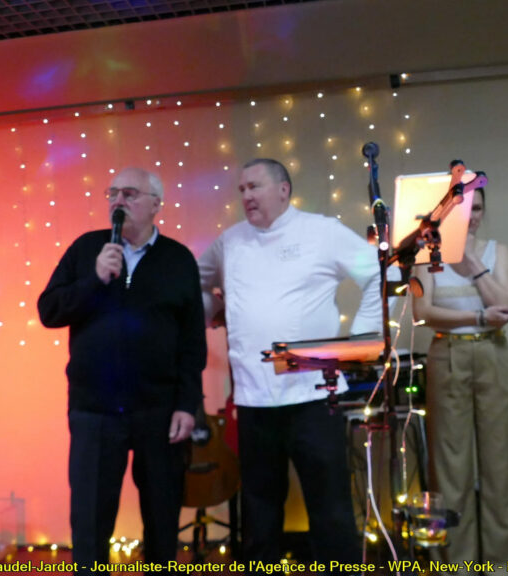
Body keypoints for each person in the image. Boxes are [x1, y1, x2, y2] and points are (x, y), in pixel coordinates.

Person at [198, 158, 381, 568]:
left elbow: (379, 275)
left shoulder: (322, 231)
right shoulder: (230, 242)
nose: (246, 196)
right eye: (242, 189)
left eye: (255, 187)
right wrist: (214, 310)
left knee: (330, 509)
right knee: (259, 514)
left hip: (314, 396)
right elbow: (195, 282)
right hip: (253, 400)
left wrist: (360, 341)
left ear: (284, 190)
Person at [37, 167, 206, 573]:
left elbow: (191, 342)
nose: (118, 201)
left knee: (162, 517)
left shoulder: (178, 259)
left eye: (130, 193)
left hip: (159, 411)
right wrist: (94, 278)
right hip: (94, 410)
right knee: (91, 522)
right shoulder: (87, 249)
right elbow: (49, 310)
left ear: (155, 204)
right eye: (112, 193)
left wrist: (187, 404)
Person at [411, 187, 508, 571]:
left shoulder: (497, 251)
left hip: (493, 352)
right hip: (447, 353)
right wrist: (477, 316)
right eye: (464, 209)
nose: (472, 216)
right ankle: (454, 566)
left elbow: (505, 306)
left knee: (502, 465)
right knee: (449, 467)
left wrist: (474, 263)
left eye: (477, 208)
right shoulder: (426, 255)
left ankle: (505, 566)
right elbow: (423, 312)